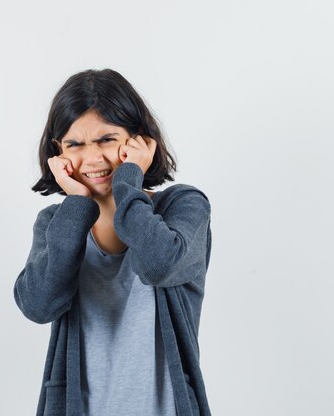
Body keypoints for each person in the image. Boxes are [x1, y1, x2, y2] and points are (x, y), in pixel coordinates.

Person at [13, 68, 213, 416]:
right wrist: (77, 204)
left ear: (139, 141)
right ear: (58, 151)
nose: (92, 158)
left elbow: (158, 264)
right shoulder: (56, 223)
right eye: (75, 144)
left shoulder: (184, 207)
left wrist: (128, 181)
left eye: (107, 139)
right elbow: (38, 305)